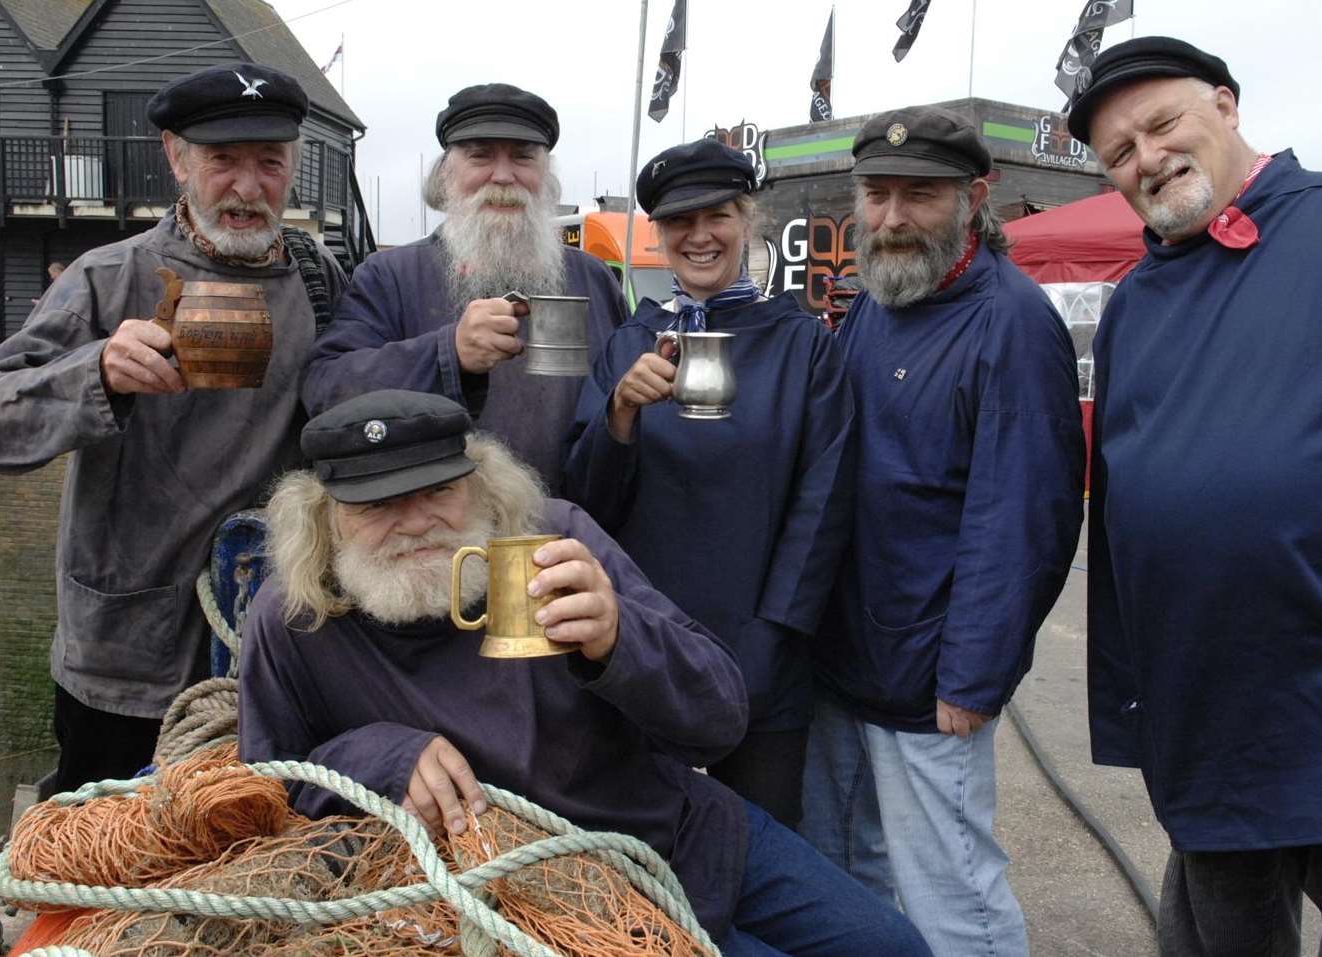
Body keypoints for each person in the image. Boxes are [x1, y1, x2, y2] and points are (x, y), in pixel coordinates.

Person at [237, 389, 930, 957]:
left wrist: (619, 638)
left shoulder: (553, 540)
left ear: (480, 485)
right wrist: (378, 756)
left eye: (438, 490)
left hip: (671, 829)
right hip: (531, 898)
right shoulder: (296, 615)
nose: (416, 522)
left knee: (894, 946)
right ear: (324, 518)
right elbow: (261, 797)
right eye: (375, 504)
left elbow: (720, 718)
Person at [1067, 36, 1322, 956]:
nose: (1147, 159)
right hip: (1209, 712)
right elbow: (1128, 506)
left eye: (1162, 123)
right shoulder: (1136, 302)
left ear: (1225, 105)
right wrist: (1138, 703)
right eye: (1119, 154)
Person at [0, 63, 347, 791]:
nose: (248, 188)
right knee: (99, 873)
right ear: (175, 158)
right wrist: (96, 371)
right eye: (222, 161)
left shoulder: (321, 285)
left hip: (260, 656)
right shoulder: (106, 277)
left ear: (292, 167)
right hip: (122, 661)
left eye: (269, 162)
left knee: (237, 869)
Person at [800, 106, 1086, 956]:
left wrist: (974, 674)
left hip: (932, 680)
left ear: (975, 194)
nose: (891, 218)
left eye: (919, 195)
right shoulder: (879, 303)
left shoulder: (1011, 321)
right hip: (843, 659)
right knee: (846, 877)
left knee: (953, 898)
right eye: (876, 195)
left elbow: (1024, 519)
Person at [563, 138, 854, 829]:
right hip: (644, 646)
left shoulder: (803, 343)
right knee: (642, 848)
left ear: (747, 220)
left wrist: (771, 636)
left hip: (761, 649)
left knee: (762, 848)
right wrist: (620, 413)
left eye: (716, 214)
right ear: (658, 236)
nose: (699, 236)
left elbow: (824, 502)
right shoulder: (630, 341)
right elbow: (586, 500)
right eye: (678, 222)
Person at [302, 83, 627, 493]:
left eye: (524, 156)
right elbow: (326, 389)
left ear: (548, 177)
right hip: (436, 538)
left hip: (573, 536)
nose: (504, 175)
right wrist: (448, 354)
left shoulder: (594, 279)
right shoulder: (391, 276)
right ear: (445, 175)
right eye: (480, 155)